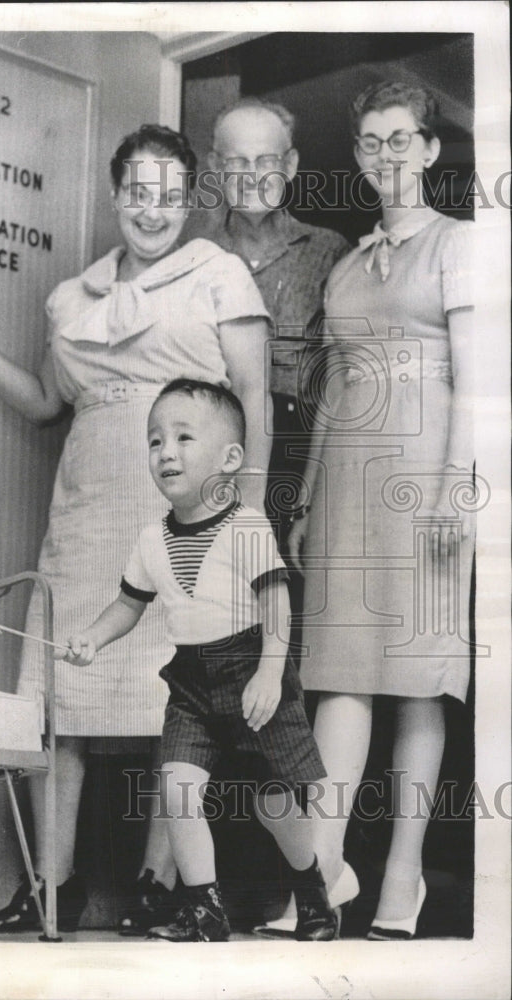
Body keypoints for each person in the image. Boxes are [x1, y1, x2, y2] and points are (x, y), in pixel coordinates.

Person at [0, 125, 271, 935]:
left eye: (169, 194)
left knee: (174, 697)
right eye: (136, 192)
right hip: (85, 507)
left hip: (185, 510)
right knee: (63, 698)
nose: (151, 210)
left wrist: (244, 508)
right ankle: (52, 884)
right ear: (116, 196)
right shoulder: (71, 296)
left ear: (191, 201)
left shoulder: (218, 275)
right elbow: (49, 402)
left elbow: (253, 400)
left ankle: (164, 884)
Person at [256, 80, 474, 940]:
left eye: (400, 139)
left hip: (423, 476)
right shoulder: (348, 260)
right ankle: (323, 877)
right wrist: (303, 502)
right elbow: (330, 390)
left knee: (418, 680)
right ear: (359, 158)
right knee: (339, 677)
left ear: (426, 150)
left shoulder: (459, 246)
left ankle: (402, 879)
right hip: (344, 479)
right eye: (371, 143)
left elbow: (480, 382)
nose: (385, 155)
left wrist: (459, 482)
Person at [59, 379, 339, 942]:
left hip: (254, 669)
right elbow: (127, 606)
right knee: (178, 788)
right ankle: (203, 909)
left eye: (184, 438)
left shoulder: (248, 528)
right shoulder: (150, 540)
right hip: (191, 679)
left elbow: (277, 608)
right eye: (155, 441)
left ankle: (312, 893)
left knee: (276, 804)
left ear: (231, 458)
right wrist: (91, 637)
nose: (166, 452)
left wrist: (267, 673)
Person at [186, 96, 349, 549]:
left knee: (280, 601)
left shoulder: (329, 251)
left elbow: (341, 379)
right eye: (237, 161)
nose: (253, 174)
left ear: (291, 164)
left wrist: (311, 493)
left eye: (267, 160)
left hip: (297, 458)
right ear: (217, 167)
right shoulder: (194, 256)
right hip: (209, 445)